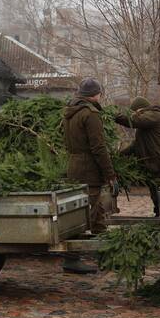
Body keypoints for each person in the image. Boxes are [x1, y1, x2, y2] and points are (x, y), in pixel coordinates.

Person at [62, 78, 117, 274]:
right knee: (89, 214)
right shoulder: (90, 113)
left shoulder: (69, 113)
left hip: (74, 166)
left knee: (93, 211)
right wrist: (110, 174)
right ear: (96, 95)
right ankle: (72, 259)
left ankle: (106, 256)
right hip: (89, 170)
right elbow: (98, 147)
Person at [114, 96, 160, 220]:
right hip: (155, 166)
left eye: (136, 112)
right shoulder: (146, 124)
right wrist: (118, 156)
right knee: (156, 198)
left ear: (141, 109)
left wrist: (115, 116)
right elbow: (136, 145)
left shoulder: (155, 115)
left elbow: (133, 121)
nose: (135, 115)